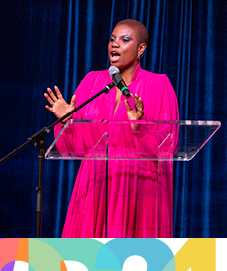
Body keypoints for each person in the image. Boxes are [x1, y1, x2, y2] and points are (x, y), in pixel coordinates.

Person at [44, 19, 179, 238]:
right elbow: (76, 147)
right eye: (112, 39)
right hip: (94, 182)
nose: (114, 44)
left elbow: (168, 146)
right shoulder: (92, 82)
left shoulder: (158, 85)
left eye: (125, 40)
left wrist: (139, 128)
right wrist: (67, 121)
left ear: (140, 48)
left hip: (139, 185)